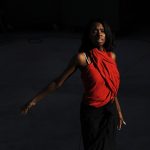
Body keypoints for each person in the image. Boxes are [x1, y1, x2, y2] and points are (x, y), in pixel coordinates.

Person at [21, 18, 126, 150]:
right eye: (95, 31)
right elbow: (58, 82)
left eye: (102, 31)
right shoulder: (82, 58)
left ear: (107, 34)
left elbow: (112, 87)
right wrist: (35, 100)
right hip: (91, 114)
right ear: (89, 35)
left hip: (108, 112)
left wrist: (119, 111)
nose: (99, 34)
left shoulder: (111, 57)